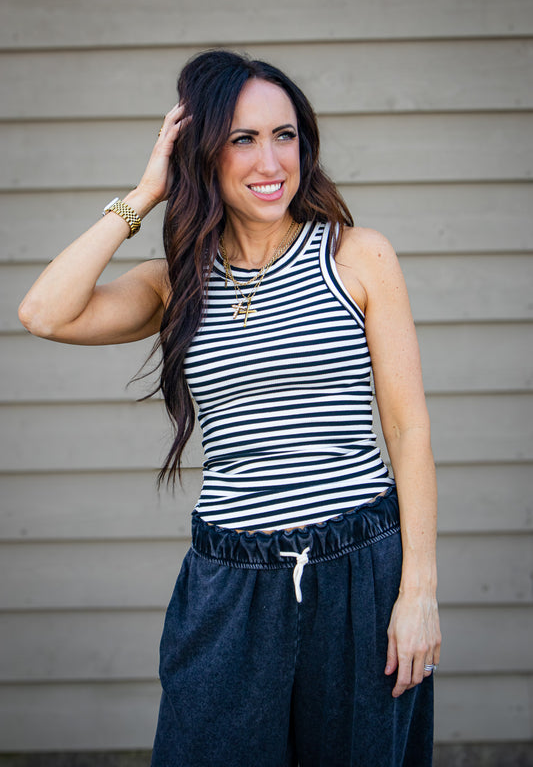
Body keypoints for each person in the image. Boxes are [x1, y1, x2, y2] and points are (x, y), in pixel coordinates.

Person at [19, 49, 441, 766]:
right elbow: (44, 313)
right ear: (203, 152)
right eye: (242, 139)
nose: (270, 161)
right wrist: (146, 191)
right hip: (229, 582)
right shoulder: (174, 284)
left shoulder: (358, 257)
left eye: (284, 135)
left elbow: (407, 428)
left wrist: (419, 591)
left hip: (358, 573)